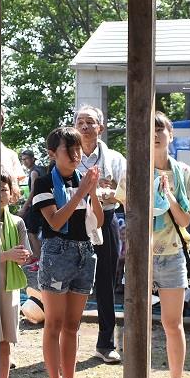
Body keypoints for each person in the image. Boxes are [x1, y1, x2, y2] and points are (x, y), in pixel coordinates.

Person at [30, 126, 103, 378]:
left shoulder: (82, 180)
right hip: (57, 253)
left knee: (73, 326)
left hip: (85, 252)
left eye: (77, 150)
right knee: (54, 324)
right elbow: (55, 222)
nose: (75, 155)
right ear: (52, 153)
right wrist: (81, 191)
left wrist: (93, 192)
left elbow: (98, 221)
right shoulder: (45, 183)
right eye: (68, 150)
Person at [152, 111, 190, 378]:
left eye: (162, 129)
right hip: (141, 255)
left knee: (172, 323)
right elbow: (129, 212)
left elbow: (184, 219)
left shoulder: (185, 174)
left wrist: (169, 195)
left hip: (173, 254)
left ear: (171, 135)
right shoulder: (136, 171)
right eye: (151, 129)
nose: (156, 134)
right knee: (134, 324)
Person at [74, 105, 127, 364]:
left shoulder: (115, 159)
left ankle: (106, 343)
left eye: (90, 122)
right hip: (73, 222)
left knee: (106, 281)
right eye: (80, 122)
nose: (85, 127)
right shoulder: (68, 154)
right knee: (70, 279)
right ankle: (67, 341)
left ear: (101, 128)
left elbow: (126, 191)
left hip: (105, 219)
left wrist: (106, 192)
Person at [0, 172, 32, 378]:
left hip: (9, 288)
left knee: (4, 341)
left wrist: (21, 257)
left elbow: (25, 253)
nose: (0, 194)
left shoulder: (18, 222)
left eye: (3, 189)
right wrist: (6, 255)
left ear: (12, 194)